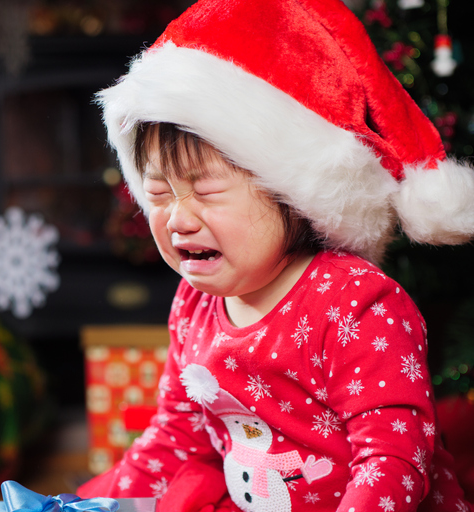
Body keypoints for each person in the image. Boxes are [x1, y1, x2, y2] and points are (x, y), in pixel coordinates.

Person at [78, 0, 474, 511]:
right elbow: (176, 441)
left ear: (290, 193)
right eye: (158, 195)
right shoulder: (194, 306)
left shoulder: (356, 303)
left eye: (207, 192)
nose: (178, 219)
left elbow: (393, 459)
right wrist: (77, 504)